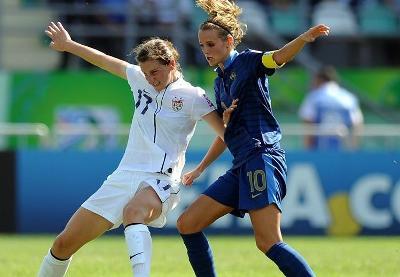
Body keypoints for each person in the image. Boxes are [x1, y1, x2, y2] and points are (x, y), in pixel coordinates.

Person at [38, 21, 225, 277]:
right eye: (146, 73)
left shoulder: (193, 96)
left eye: (155, 72)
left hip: (162, 180)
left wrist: (201, 168)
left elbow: (226, 135)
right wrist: (69, 45)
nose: (150, 78)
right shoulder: (140, 78)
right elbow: (104, 60)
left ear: (171, 63)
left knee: (133, 212)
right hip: (124, 175)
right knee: (63, 244)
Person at [176, 1, 330, 276]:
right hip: (242, 164)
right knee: (188, 223)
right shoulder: (220, 80)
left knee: (268, 242)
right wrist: (201, 168)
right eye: (201, 45)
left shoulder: (248, 61)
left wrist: (303, 39)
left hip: (262, 156)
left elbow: (278, 57)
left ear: (229, 41)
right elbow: (227, 133)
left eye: (210, 44)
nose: (205, 51)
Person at [298, 65, 364, 150]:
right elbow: (358, 125)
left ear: (319, 80)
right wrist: (353, 149)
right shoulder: (349, 98)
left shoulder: (313, 97)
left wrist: (308, 151)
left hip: (320, 150)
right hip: (343, 149)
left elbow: (308, 125)